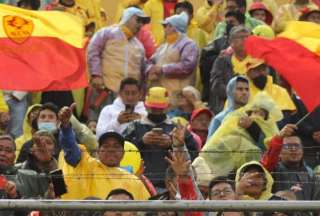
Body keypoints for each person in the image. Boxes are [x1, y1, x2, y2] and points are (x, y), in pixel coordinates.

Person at [58, 104, 150, 200]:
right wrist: (66, 127)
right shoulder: (87, 165)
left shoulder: (133, 180)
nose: (111, 149)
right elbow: (70, 149)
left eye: (116, 146)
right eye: (106, 146)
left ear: (123, 153)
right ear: (98, 152)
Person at [123, 87, 198, 191]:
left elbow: (194, 153)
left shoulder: (177, 128)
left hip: (171, 185)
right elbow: (121, 152)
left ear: (167, 106)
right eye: (153, 108)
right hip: (139, 182)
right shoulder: (134, 127)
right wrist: (141, 142)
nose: (156, 111)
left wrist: (173, 144)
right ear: (145, 105)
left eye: (159, 108)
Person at [193, 93, 283, 181]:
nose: (256, 116)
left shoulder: (269, 129)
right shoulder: (233, 121)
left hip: (249, 175)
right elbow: (216, 143)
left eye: (261, 114)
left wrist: (253, 128)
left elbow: (268, 148)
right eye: (254, 112)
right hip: (223, 172)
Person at [88, 7, 150, 96]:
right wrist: (96, 75)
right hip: (104, 91)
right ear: (127, 17)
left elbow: (142, 70)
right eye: (138, 20)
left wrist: (142, 92)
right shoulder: (107, 33)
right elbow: (93, 51)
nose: (140, 25)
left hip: (129, 97)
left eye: (143, 22)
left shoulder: (139, 46)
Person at [17, 102, 97, 163]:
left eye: (51, 117)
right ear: (37, 122)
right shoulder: (27, 145)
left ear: (58, 122)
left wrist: (66, 125)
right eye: (43, 117)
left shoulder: (69, 141)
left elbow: (76, 159)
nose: (46, 120)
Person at [147, 12, 199, 97]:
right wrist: (150, 69)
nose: (165, 29)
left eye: (167, 26)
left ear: (174, 27)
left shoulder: (189, 44)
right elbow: (151, 61)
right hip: (161, 93)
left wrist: (163, 69)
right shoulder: (164, 45)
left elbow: (187, 66)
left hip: (179, 94)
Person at [200, 10, 245, 103]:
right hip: (223, 99)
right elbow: (204, 56)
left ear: (241, 24)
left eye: (232, 22)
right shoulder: (219, 42)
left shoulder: (254, 47)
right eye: (227, 23)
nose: (229, 25)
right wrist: (219, 57)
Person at [265, 124, 320, 200]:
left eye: (297, 145)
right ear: (279, 152)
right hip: (278, 211)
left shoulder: (311, 174)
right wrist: (278, 138)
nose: (293, 149)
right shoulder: (272, 170)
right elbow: (267, 162)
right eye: (288, 146)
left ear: (302, 150)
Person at [0, 135, 50, 216]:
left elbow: (59, 190)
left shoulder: (29, 176)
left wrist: (48, 163)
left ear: (14, 156)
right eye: (0, 149)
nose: (2, 153)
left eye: (8, 151)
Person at [209, 26, 251, 114]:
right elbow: (216, 85)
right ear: (231, 42)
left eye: (248, 37)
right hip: (227, 107)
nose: (245, 40)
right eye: (241, 37)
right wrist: (236, 95)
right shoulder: (222, 61)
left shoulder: (257, 62)